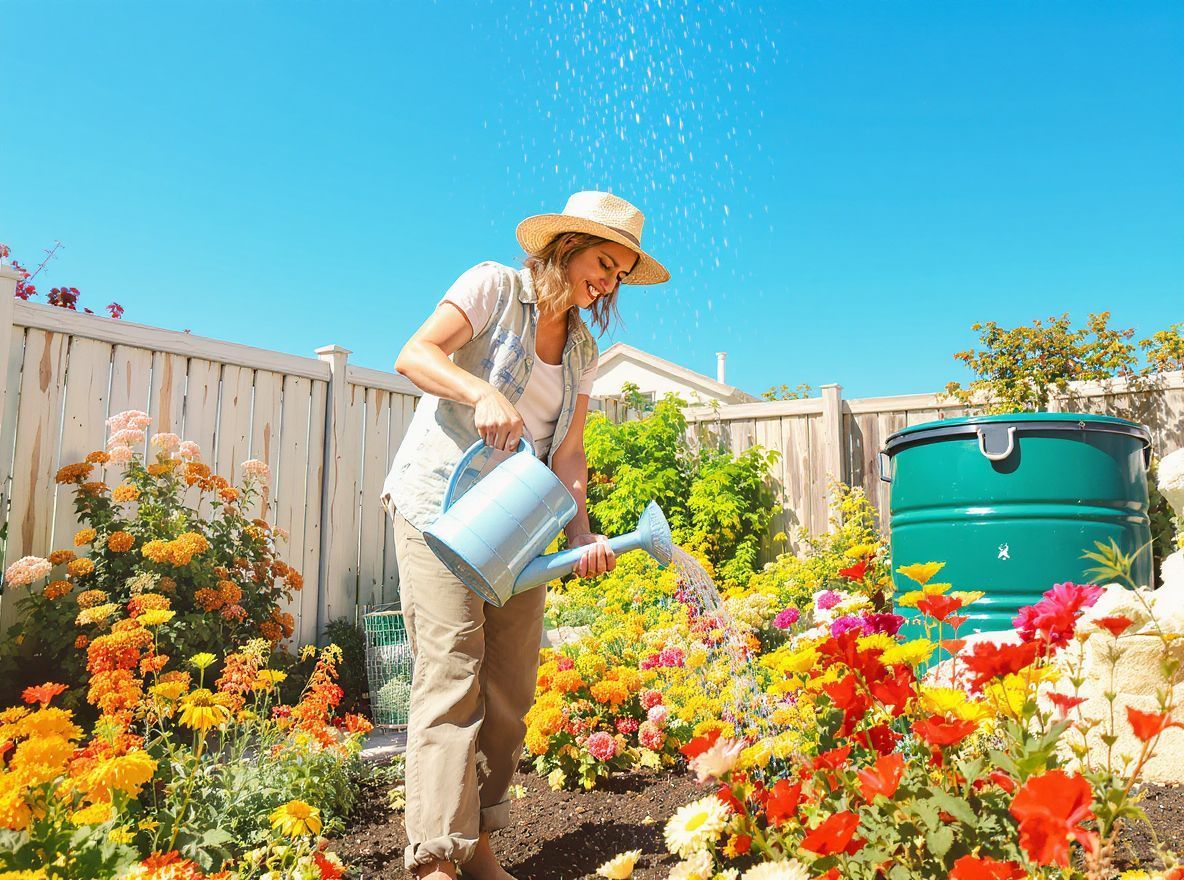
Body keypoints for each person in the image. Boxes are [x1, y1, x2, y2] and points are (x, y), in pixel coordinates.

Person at [380, 191, 670, 879]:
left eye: (620, 274)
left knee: (510, 692)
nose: (608, 283)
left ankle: (478, 841)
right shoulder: (494, 287)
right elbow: (414, 354)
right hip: (440, 511)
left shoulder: (582, 348)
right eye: (604, 263)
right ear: (567, 247)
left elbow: (568, 453)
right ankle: (437, 862)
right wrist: (478, 390)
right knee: (451, 677)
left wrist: (582, 534)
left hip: (517, 524)